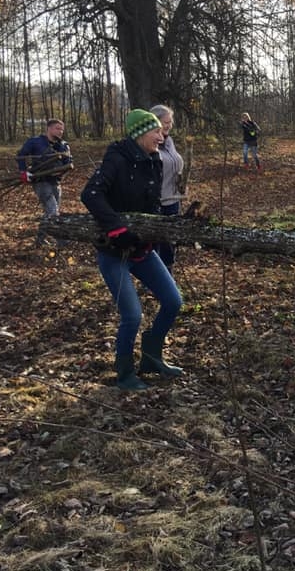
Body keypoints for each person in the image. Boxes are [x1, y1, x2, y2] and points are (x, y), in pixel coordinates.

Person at [81, 109, 184, 391]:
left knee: (173, 301)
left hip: (141, 250)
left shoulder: (154, 160)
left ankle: (151, 358)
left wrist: (153, 234)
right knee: (132, 315)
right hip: (113, 252)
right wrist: (118, 230)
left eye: (163, 132)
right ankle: (125, 373)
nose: (162, 137)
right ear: (140, 133)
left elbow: (152, 204)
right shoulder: (117, 159)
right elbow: (90, 194)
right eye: (157, 132)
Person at [16, 118, 72, 246]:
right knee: (53, 211)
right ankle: (62, 241)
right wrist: (23, 172)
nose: (60, 131)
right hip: (41, 181)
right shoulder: (35, 142)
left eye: (62, 129)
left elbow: (68, 162)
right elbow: (21, 155)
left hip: (56, 182)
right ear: (49, 128)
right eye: (58, 128)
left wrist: (63, 170)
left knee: (50, 212)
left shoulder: (63, 145)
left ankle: (39, 241)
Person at [150, 104, 184, 271]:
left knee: (171, 241)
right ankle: (155, 280)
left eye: (170, 122)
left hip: (174, 199)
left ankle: (168, 279)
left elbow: (175, 164)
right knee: (157, 242)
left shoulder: (169, 142)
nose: (169, 125)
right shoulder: (149, 145)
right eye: (165, 122)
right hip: (158, 202)